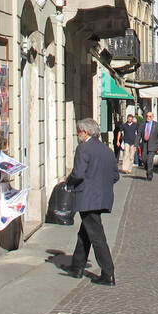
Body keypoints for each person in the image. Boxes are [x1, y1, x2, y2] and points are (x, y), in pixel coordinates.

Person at [60, 117, 118, 285]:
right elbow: (115, 176)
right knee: (85, 233)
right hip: (102, 197)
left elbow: (78, 174)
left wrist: (68, 182)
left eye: (79, 132)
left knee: (96, 236)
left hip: (87, 197)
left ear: (85, 132)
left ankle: (108, 273)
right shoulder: (106, 150)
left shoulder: (83, 148)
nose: (78, 135)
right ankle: (77, 267)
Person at [140, 111, 158, 181]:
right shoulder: (142, 125)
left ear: (152, 117)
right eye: (147, 116)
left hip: (153, 145)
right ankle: (149, 170)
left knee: (149, 160)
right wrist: (135, 145)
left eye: (150, 116)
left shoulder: (157, 125)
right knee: (143, 159)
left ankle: (149, 175)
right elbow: (138, 135)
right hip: (145, 144)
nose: (148, 118)